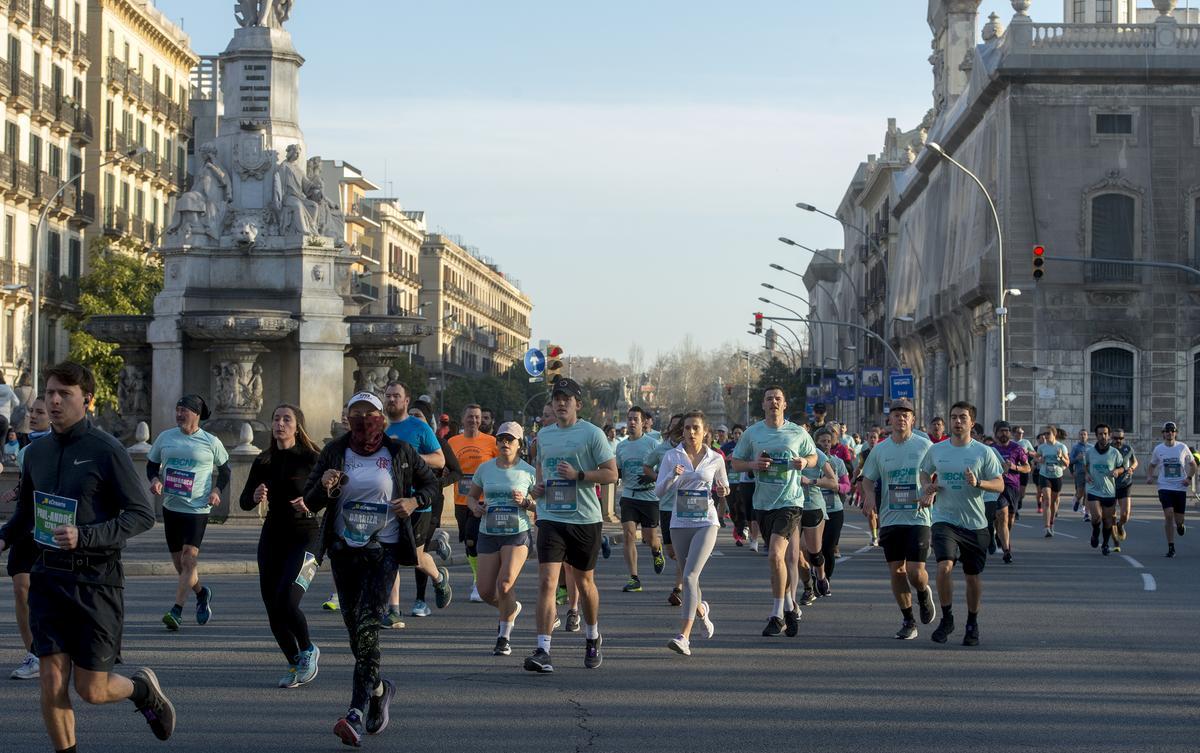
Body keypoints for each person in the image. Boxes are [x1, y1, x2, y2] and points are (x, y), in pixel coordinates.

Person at [0, 362, 174, 748]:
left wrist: (86, 535)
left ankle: (142, 690)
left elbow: (142, 514)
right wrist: (4, 537)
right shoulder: (38, 453)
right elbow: (27, 510)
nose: (55, 400)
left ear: (88, 400)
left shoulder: (106, 450)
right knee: (50, 680)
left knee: (92, 689)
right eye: (49, 393)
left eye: (65, 394)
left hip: (96, 581)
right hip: (48, 577)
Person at [302, 392, 440, 746]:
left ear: (381, 417)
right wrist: (324, 485)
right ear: (347, 417)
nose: (363, 420)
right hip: (344, 549)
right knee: (355, 634)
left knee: (367, 626)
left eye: (370, 413)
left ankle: (355, 713)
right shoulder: (335, 451)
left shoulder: (398, 452)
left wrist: (413, 500)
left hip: (385, 550)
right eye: (355, 413)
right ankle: (379, 689)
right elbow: (311, 501)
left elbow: (431, 484)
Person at [523, 378, 618, 673]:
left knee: (584, 583)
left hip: (584, 519)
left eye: (567, 398)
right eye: (557, 398)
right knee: (546, 583)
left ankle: (592, 636)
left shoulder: (592, 433)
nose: (561, 403)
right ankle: (543, 649)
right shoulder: (545, 436)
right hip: (551, 517)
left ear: (578, 403)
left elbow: (611, 474)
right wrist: (537, 490)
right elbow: (541, 470)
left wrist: (579, 475)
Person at [239, 404, 323, 688]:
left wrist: (310, 501)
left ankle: (309, 649)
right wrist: (255, 494)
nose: (280, 424)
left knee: (289, 600)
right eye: (276, 419)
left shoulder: (313, 458)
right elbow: (243, 503)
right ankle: (293, 662)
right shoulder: (263, 460)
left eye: (286, 419)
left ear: (297, 426)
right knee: (273, 608)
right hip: (273, 537)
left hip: (307, 537)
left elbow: (332, 494)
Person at [731, 386, 818, 638]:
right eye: (769, 399)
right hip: (763, 503)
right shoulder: (753, 432)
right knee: (776, 560)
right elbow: (736, 462)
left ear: (784, 404)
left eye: (778, 399)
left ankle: (776, 613)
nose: (774, 403)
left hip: (790, 502)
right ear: (763, 404)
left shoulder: (797, 432)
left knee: (775, 555)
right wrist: (752, 465)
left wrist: (804, 462)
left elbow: (813, 457)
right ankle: (789, 607)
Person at [918, 401, 1004, 646]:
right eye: (954, 417)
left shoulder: (983, 452)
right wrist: (927, 486)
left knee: (972, 577)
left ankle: (972, 622)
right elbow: (925, 471)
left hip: (975, 524)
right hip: (944, 519)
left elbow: (999, 484)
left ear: (971, 423)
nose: (957, 421)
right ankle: (947, 618)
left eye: (962, 417)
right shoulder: (938, 450)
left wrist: (978, 483)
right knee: (944, 567)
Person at [148, 395, 230, 631]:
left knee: (188, 559)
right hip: (171, 507)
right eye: (177, 410)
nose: (179, 415)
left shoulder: (210, 441)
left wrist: (216, 490)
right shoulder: (165, 437)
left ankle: (177, 610)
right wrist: (154, 480)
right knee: (179, 564)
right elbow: (151, 465)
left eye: (184, 411)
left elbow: (225, 471)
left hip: (197, 508)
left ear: (196, 414)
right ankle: (202, 593)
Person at [861, 398, 937, 639]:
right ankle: (908, 620)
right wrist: (870, 496)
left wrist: (930, 491)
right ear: (890, 419)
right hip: (891, 517)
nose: (901, 418)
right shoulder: (880, 449)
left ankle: (924, 593)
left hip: (918, 516)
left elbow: (937, 475)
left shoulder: (925, 445)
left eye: (906, 414)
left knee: (915, 571)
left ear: (913, 419)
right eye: (897, 414)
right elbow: (868, 478)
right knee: (897, 571)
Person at [656, 411, 727, 656]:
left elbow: (723, 486)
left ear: (705, 431)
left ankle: (683, 636)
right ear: (682, 431)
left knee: (689, 576)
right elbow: (659, 491)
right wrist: (672, 476)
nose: (691, 432)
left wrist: (722, 489)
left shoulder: (715, 458)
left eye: (696, 428)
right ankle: (702, 612)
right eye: (687, 428)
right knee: (690, 578)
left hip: (706, 521)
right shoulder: (671, 456)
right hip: (679, 522)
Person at [466, 422, 536, 656]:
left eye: (510, 440)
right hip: (488, 532)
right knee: (485, 591)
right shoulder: (485, 469)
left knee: (505, 584)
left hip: (517, 532)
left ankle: (503, 637)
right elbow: (471, 497)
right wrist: (476, 507)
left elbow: (542, 505)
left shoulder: (529, 471)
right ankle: (511, 608)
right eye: (501, 439)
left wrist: (526, 502)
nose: (505, 443)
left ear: (519, 444)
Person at [381, 382, 446, 625]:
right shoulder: (379, 428)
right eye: (388, 396)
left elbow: (440, 461)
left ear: (406, 400)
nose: (391, 400)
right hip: (388, 502)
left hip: (418, 503)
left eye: (396, 396)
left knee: (416, 557)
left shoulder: (419, 427)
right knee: (390, 555)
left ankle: (439, 578)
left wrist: (412, 458)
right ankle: (393, 610)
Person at [0, 395, 49, 679]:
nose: (33, 415)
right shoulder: (25, 445)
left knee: (46, 593)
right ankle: (33, 653)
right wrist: (17, 492)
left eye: (38, 412)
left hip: (50, 526)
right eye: (31, 411)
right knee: (21, 588)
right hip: (24, 525)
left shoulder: (60, 445)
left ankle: (54, 648)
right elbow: (27, 482)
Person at [448, 404, 499, 602]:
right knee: (468, 542)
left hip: (483, 500)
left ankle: (479, 581)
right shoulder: (453, 441)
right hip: (461, 499)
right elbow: (446, 465)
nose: (474, 421)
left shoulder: (491, 442)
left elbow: (502, 463)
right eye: (470, 417)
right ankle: (480, 577)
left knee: (474, 538)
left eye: (477, 417)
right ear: (463, 419)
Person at [613, 406, 664, 593]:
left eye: (636, 419)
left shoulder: (653, 444)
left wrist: (653, 476)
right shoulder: (621, 446)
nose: (632, 422)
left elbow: (663, 469)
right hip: (629, 495)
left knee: (651, 538)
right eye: (630, 419)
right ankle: (634, 578)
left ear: (643, 422)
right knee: (628, 534)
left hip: (649, 496)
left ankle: (657, 551)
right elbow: (617, 471)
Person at [643, 414, 686, 606]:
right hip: (667, 506)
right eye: (675, 427)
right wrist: (659, 478)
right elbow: (646, 466)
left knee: (682, 551)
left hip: (686, 506)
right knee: (671, 552)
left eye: (681, 427)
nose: (679, 431)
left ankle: (679, 588)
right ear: (670, 428)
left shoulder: (690, 449)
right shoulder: (662, 449)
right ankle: (683, 574)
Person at [1146, 421, 1196, 558]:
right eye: (1167, 431)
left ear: (1176, 433)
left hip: (1180, 487)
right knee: (1168, 515)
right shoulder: (1159, 449)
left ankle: (1180, 526)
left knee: (1179, 520)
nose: (1170, 433)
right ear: (1163, 433)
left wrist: (1189, 478)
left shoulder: (1182, 447)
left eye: (1172, 430)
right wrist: (1149, 476)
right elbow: (1151, 465)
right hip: (1165, 486)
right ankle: (1171, 546)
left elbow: (1193, 466)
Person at [814, 428, 850, 595]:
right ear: (816, 442)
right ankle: (815, 578)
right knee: (814, 549)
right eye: (823, 441)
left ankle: (825, 581)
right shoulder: (811, 462)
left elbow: (846, 486)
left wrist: (837, 487)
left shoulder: (838, 463)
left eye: (829, 441)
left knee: (828, 548)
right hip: (815, 509)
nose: (826, 444)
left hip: (834, 510)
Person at [1085, 424, 1129, 556]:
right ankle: (1094, 532)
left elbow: (1123, 467)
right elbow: (1086, 466)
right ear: (1096, 436)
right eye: (1100, 434)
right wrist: (1087, 474)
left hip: (1109, 491)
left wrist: (1117, 471)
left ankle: (1105, 544)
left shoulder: (1115, 453)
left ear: (1109, 435)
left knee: (1108, 520)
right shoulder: (1090, 452)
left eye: (1105, 434)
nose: (1103, 436)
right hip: (1093, 489)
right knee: (1097, 516)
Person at [990, 421, 1030, 564]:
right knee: (1002, 515)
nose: (1004, 433)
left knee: (1009, 519)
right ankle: (1007, 551)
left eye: (1006, 431)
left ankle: (1000, 537)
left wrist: (1014, 467)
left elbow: (1027, 468)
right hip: (997, 486)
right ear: (995, 433)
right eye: (1001, 431)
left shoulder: (1017, 449)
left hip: (1013, 487)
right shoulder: (990, 449)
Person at [1036, 425, 1070, 537]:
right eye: (1044, 434)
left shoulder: (1061, 447)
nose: (1045, 436)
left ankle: (1051, 523)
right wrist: (1039, 459)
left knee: (1054, 502)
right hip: (1044, 474)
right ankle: (1046, 528)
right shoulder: (1042, 447)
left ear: (1054, 434)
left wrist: (1060, 457)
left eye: (1048, 433)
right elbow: (1037, 458)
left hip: (1057, 475)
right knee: (1047, 500)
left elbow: (1067, 463)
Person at [1112, 428, 1138, 542]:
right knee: (1111, 516)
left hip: (1125, 483)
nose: (1118, 440)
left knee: (1125, 514)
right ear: (1111, 438)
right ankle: (1115, 541)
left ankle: (1120, 525)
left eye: (1121, 438)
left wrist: (1132, 468)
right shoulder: (1108, 449)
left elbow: (1135, 462)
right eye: (1116, 438)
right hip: (1110, 485)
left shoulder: (1128, 449)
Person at [1069, 429, 1091, 521]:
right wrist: (1077, 458)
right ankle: (1076, 500)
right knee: (1080, 493)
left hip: (1089, 473)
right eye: (1081, 434)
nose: (1083, 436)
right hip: (1080, 472)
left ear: (1087, 436)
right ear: (1079, 436)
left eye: (1084, 434)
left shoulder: (1091, 447)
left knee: (1088, 493)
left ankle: (1086, 514)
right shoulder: (1075, 447)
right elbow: (1070, 461)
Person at [1013, 426, 1035, 513]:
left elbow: (1034, 453)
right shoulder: (1011, 443)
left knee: (1022, 492)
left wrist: (1028, 452)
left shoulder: (1026, 442)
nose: (1021, 434)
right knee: (1015, 490)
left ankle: (1020, 500)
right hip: (1014, 469)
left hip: (1024, 469)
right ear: (1014, 433)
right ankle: (1015, 508)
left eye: (1022, 433)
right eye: (1019, 433)